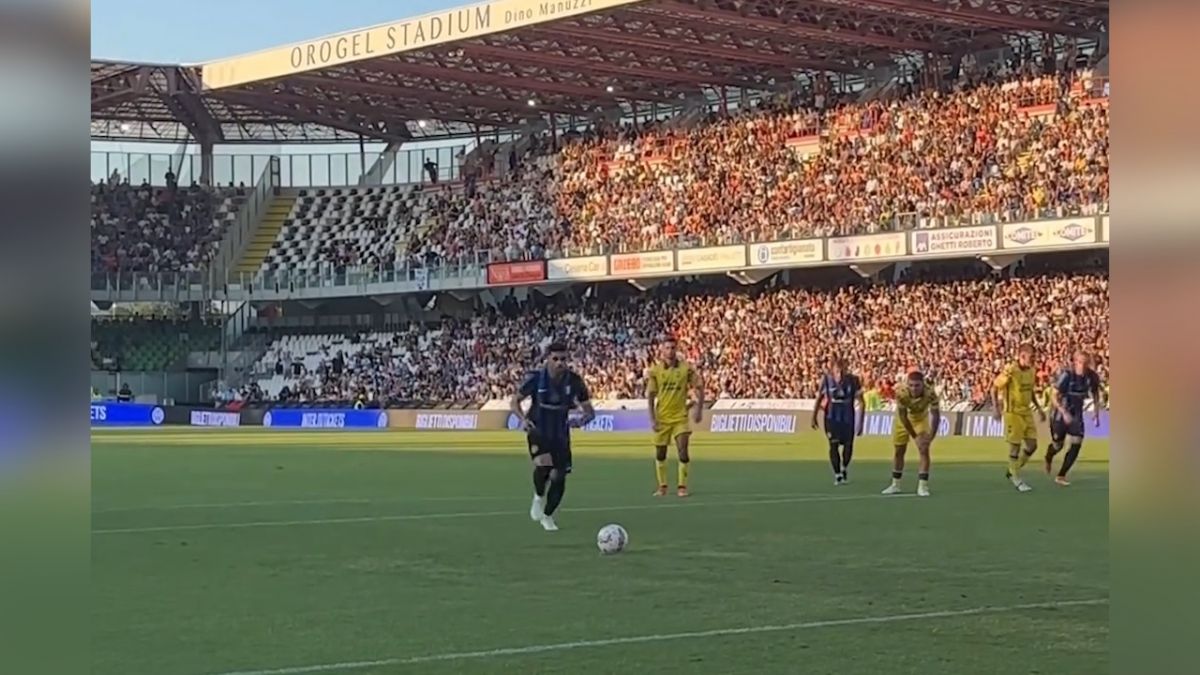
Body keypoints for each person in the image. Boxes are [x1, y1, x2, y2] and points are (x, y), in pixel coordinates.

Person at [510, 342, 595, 532]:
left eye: (563, 359)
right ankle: (539, 496)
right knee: (543, 465)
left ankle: (548, 516)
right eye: (555, 359)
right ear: (547, 358)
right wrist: (523, 419)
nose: (559, 363)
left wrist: (580, 421)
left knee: (559, 477)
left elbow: (590, 412)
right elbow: (514, 401)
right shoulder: (536, 379)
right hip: (538, 429)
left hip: (560, 434)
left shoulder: (574, 381)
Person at [646, 337, 704, 497]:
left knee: (683, 450)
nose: (670, 351)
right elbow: (650, 397)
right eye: (667, 348)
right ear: (662, 350)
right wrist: (652, 419)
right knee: (660, 454)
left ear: (676, 350)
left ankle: (682, 487)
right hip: (662, 417)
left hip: (680, 417)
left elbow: (700, 386)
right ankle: (662, 487)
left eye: (672, 347)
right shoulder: (655, 371)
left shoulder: (686, 369)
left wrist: (699, 409)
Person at [1045, 350, 1103, 486]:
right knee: (1057, 445)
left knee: (1077, 443)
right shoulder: (1067, 375)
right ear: (1075, 362)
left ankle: (1061, 475)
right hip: (1060, 414)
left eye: (1085, 363)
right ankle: (1048, 457)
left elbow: (1095, 393)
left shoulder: (1092, 376)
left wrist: (1096, 413)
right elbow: (1053, 396)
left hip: (1076, 414)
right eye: (1080, 362)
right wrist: (1063, 412)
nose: (1082, 366)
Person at [994, 344, 1046, 492]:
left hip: (1027, 412)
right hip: (1013, 412)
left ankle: (1012, 470)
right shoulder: (1011, 370)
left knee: (1032, 446)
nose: (1033, 359)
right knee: (1015, 446)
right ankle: (1016, 479)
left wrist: (1039, 408)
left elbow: (1030, 391)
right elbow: (994, 386)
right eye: (1031, 357)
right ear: (1022, 356)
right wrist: (996, 408)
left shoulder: (1031, 371)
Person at [882, 371, 940, 497]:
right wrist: (915, 436)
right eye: (911, 385)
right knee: (899, 450)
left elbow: (936, 416)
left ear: (923, 385)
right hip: (903, 421)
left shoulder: (931, 394)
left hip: (920, 419)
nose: (914, 389)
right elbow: (903, 417)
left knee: (924, 449)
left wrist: (931, 437)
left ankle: (923, 486)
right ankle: (895, 484)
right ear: (908, 384)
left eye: (917, 385)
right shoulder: (901, 393)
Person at [810, 357, 865, 485]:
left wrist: (861, 422)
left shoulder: (853, 380)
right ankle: (837, 474)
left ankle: (844, 467)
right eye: (837, 371)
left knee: (848, 446)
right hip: (832, 417)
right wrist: (813, 417)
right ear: (833, 370)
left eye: (842, 371)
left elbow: (861, 402)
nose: (840, 374)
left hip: (848, 417)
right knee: (833, 446)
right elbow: (819, 398)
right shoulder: (826, 380)